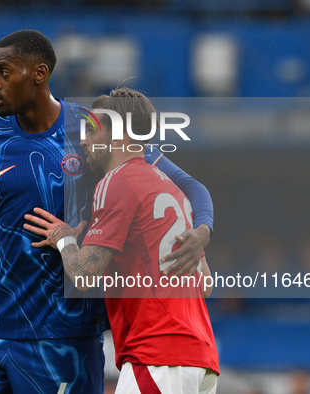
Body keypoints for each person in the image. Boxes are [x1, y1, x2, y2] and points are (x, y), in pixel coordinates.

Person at [0, 30, 214, 393]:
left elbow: (189, 187)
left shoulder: (94, 130)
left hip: (66, 339)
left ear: (39, 73)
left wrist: (202, 230)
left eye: (4, 72)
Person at [24, 88, 219, 393]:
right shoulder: (173, 189)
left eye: (93, 130)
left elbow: (84, 275)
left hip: (157, 356)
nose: (84, 140)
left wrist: (64, 239)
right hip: (200, 357)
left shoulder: (115, 182)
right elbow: (205, 283)